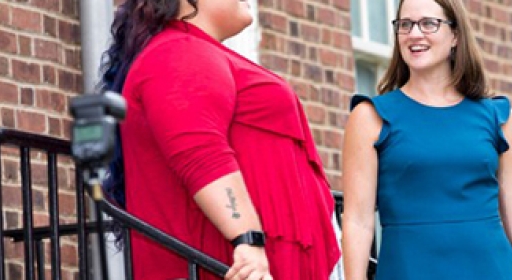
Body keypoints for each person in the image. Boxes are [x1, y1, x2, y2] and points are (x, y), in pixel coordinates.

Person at [99, 1, 341, 279]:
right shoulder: (178, 51)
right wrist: (248, 240)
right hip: (231, 266)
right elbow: (201, 155)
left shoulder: (190, 50)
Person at [341, 0, 512, 279]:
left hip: (490, 269)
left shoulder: (497, 117)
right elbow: (357, 222)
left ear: (455, 35)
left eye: (429, 23)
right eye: (405, 25)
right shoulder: (370, 117)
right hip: (408, 269)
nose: (415, 34)